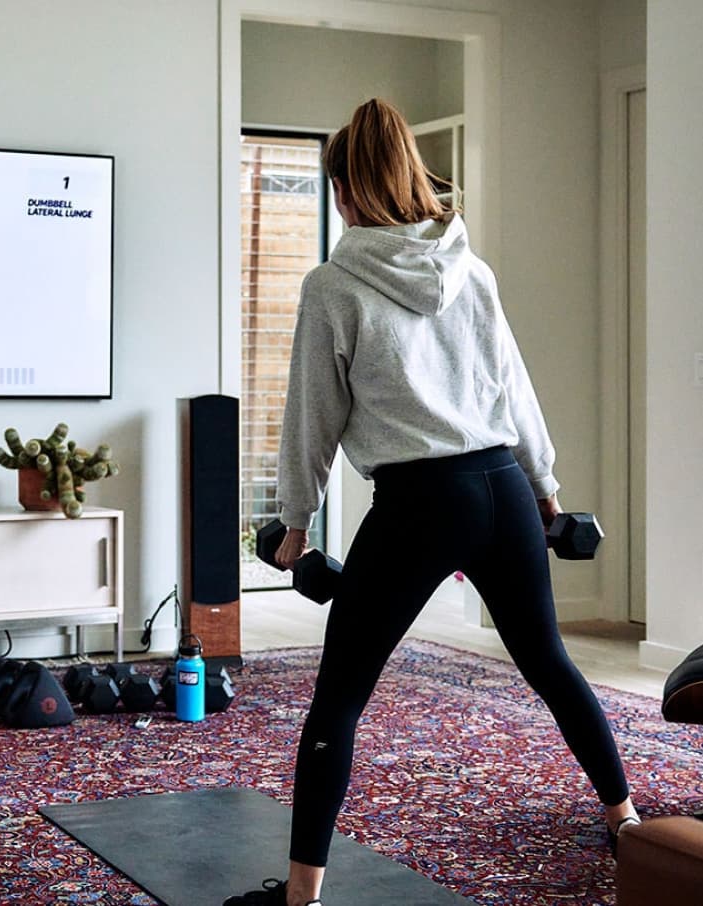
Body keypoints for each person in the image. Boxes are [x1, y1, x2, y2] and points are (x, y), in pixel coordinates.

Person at [224, 99, 640, 906]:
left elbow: (312, 413)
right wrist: (547, 492)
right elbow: (510, 389)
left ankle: (299, 898)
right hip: (503, 490)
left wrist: (295, 525)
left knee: (339, 696)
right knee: (550, 662)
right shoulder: (470, 270)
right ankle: (627, 823)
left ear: (343, 191)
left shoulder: (331, 284)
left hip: (419, 502)